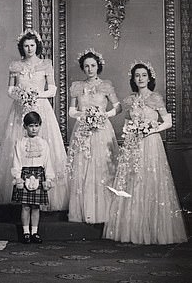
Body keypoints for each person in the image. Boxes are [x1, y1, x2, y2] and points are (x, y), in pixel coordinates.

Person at [103, 62, 187, 244]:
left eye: (143, 75)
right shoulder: (130, 100)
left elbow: (167, 122)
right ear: (133, 79)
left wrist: (149, 129)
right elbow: (126, 124)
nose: (140, 79)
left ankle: (152, 229)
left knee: (150, 181)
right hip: (133, 144)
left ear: (149, 78)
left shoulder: (155, 98)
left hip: (151, 144)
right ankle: (133, 229)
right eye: (137, 76)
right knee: (134, 181)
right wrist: (129, 133)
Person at [0, 29, 68, 211]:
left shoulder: (45, 64)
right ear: (22, 47)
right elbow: (10, 90)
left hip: (41, 107)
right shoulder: (15, 66)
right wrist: (21, 96)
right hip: (20, 109)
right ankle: (20, 194)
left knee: (44, 147)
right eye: (26, 46)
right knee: (18, 147)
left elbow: (53, 90)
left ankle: (46, 194)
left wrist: (36, 95)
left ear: (37, 46)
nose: (29, 48)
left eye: (32, 45)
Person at [67, 49, 120, 223]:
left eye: (93, 66)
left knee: (102, 167)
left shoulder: (106, 85)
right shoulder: (77, 86)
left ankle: (105, 212)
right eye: (86, 66)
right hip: (83, 130)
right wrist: (83, 116)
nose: (90, 69)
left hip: (102, 129)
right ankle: (85, 211)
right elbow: (71, 110)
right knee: (84, 167)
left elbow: (117, 106)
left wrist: (104, 115)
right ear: (83, 68)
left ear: (98, 67)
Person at [11, 111, 55, 244]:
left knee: (36, 206)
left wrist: (48, 178)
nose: (34, 129)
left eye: (36, 125)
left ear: (40, 126)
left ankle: (34, 232)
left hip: (39, 174)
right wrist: (18, 177)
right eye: (31, 126)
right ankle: (26, 233)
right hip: (25, 174)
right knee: (25, 206)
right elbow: (17, 161)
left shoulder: (44, 143)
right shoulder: (20, 143)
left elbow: (47, 162)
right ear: (25, 126)